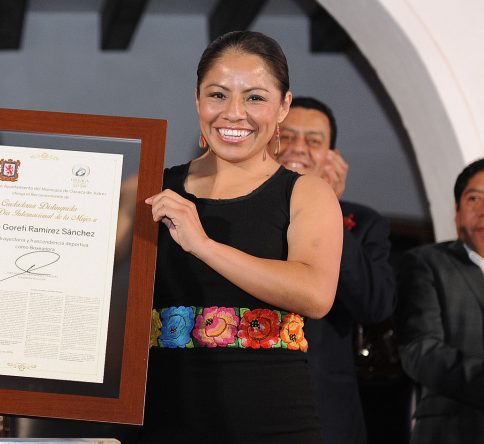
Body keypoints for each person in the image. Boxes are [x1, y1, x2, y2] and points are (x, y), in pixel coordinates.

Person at [140, 31, 342, 442]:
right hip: (162, 411)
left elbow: (316, 293)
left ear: (283, 105)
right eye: (217, 95)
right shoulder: (149, 189)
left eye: (255, 97)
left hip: (271, 418)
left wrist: (204, 245)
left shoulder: (306, 193)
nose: (233, 113)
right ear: (197, 99)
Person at [273, 97, 396, 444]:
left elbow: (375, 307)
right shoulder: (236, 209)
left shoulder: (361, 223)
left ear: (332, 155)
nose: (299, 148)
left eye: (313, 141)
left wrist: (327, 210)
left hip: (322, 407)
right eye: (288, 136)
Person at [396, 159, 484, 443]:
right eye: (474, 199)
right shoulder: (426, 264)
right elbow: (420, 350)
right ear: (457, 213)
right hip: (454, 431)